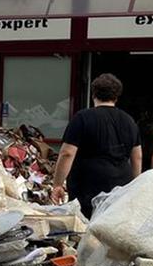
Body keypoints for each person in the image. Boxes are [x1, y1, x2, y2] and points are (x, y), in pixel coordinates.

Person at [50, 74, 142, 218]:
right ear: (117, 96)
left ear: (94, 94)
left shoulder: (82, 118)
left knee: (87, 228)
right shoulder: (129, 121)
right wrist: (135, 185)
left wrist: (57, 184)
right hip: (122, 184)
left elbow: (67, 153)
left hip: (88, 186)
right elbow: (137, 157)